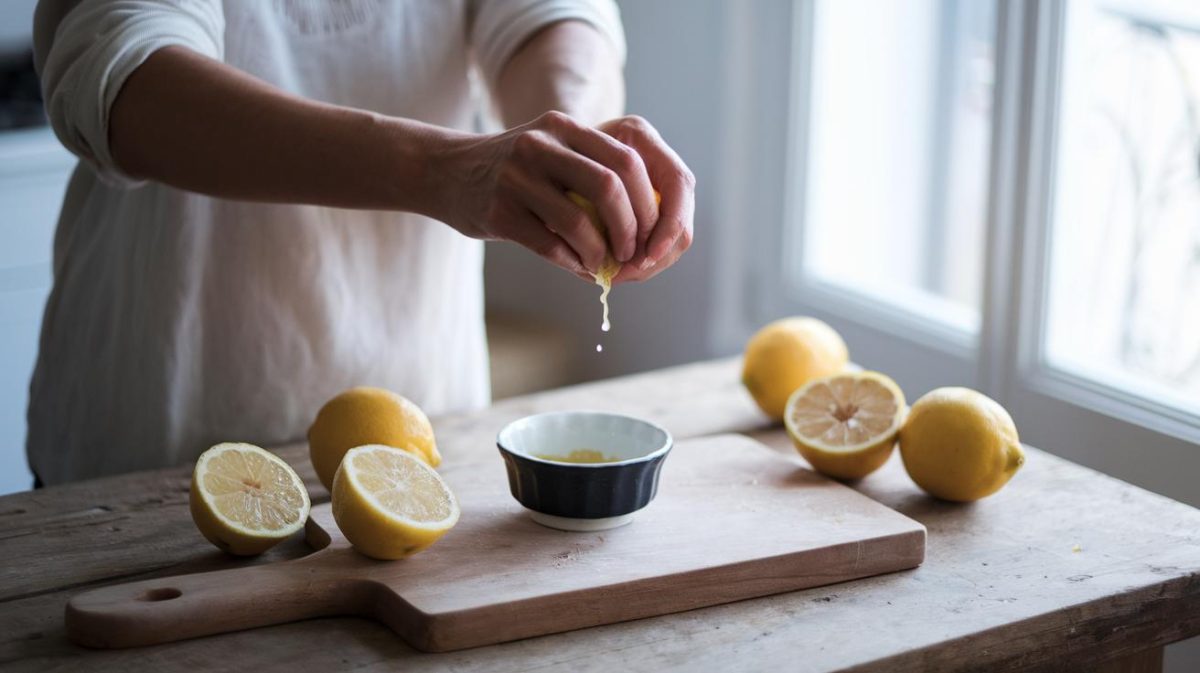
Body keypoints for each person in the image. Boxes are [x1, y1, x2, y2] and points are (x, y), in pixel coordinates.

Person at [27, 0, 695, 486]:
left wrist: (574, 147)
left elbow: (551, 16)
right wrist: (440, 170)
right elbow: (125, 82)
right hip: (154, 464)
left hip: (427, 452)